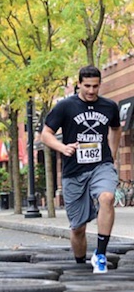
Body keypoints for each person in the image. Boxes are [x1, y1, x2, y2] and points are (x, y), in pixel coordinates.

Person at [41, 65, 121, 274]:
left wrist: (111, 154)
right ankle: (80, 266)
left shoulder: (109, 106)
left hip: (101, 166)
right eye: (87, 86)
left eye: (95, 86)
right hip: (74, 171)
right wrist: (62, 147)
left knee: (107, 198)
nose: (92, 91)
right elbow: (46, 134)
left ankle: (100, 254)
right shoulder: (65, 106)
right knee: (78, 228)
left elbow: (115, 128)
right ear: (78, 84)